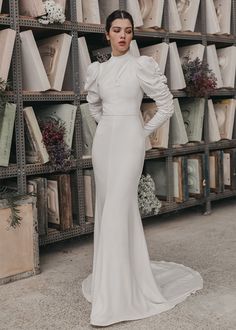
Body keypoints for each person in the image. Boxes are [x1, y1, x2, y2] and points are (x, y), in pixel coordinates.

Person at [82, 9, 203, 327]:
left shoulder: (142, 66)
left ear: (132, 35)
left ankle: (115, 300)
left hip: (131, 144)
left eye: (128, 30)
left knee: (117, 211)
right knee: (109, 208)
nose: (122, 35)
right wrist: (108, 124)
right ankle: (114, 284)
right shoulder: (98, 71)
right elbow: (93, 104)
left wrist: (141, 131)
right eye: (117, 30)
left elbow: (165, 105)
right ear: (106, 34)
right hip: (105, 143)